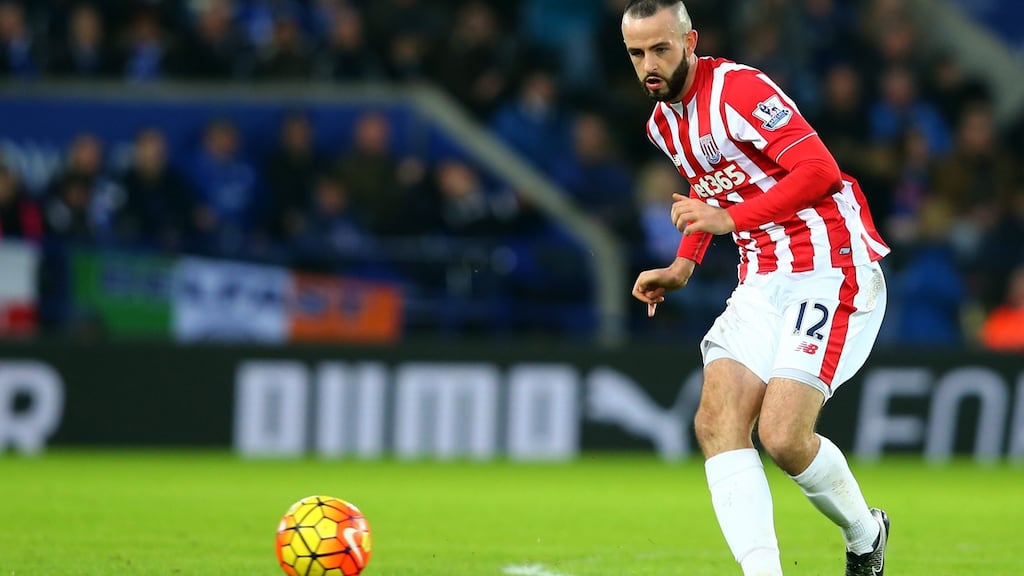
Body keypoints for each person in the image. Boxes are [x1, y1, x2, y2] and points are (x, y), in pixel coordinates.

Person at [622, 2, 891, 575]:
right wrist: (682, 267)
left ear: (689, 41)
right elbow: (710, 190)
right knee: (716, 421)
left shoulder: (739, 90)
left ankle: (866, 535)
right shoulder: (662, 123)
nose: (649, 63)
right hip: (762, 278)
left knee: (784, 436)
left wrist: (730, 222)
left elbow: (819, 170)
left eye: (660, 49)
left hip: (830, 263)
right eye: (636, 53)